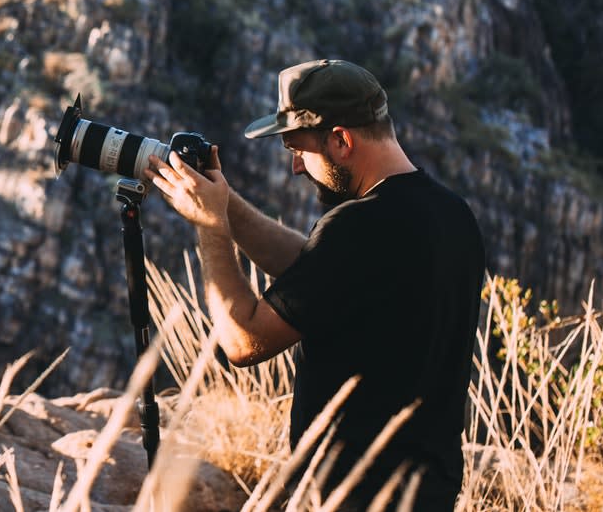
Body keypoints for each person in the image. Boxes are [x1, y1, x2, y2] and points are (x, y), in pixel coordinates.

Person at [144, 59, 486, 511]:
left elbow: (244, 342)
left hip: (351, 497)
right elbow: (314, 269)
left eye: (298, 150)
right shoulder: (451, 214)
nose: (295, 169)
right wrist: (225, 205)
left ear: (341, 140)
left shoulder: (356, 227)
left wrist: (210, 226)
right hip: (428, 493)